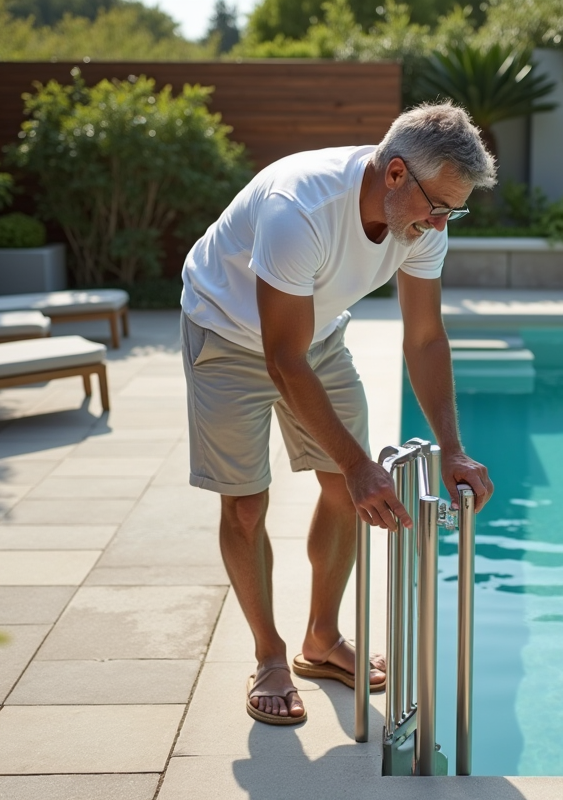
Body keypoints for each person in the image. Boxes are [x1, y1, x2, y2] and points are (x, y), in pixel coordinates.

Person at [180, 101, 496, 726]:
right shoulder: (300, 209)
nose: (440, 223)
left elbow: (426, 337)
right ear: (396, 174)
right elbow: (280, 359)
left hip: (315, 336)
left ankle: (320, 640)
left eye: (453, 211)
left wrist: (451, 448)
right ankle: (269, 654)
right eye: (438, 205)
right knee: (245, 503)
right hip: (226, 330)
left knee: (349, 491)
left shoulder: (423, 223)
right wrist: (356, 464)